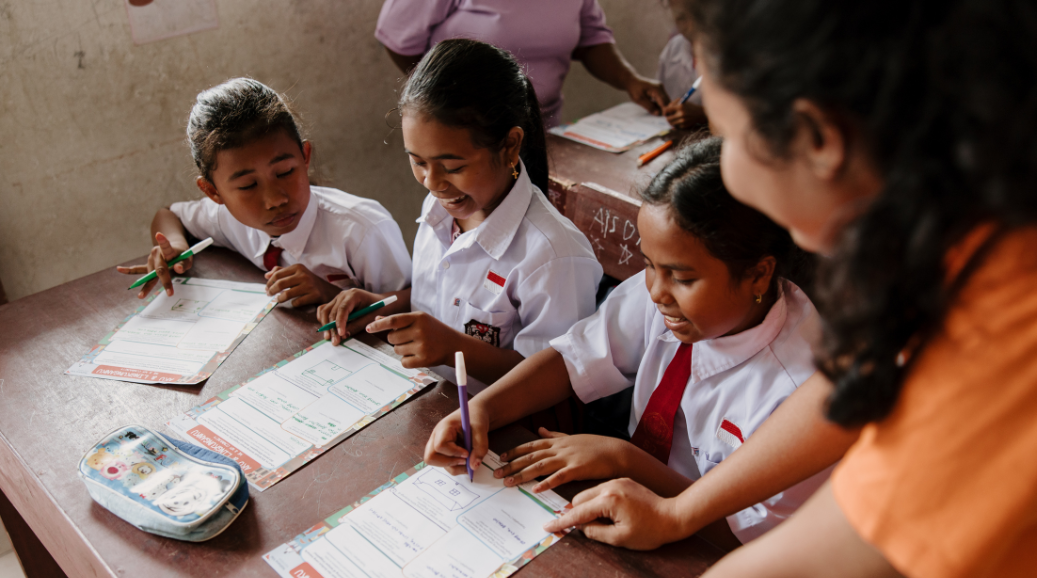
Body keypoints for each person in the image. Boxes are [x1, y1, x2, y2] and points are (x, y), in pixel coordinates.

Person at [422, 1, 1037, 578]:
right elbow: (852, 391)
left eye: (724, 127)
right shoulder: (971, 230)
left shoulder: (1017, 334)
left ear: (817, 138)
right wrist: (681, 509)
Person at [424, 137, 827, 545]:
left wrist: (625, 462)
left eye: (683, 279)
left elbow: (752, 536)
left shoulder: (798, 389)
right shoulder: (668, 301)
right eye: (650, 265)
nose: (656, 292)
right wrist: (482, 410)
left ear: (758, 275)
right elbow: (574, 358)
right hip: (631, 503)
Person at [318, 40, 603, 389]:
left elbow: (554, 380)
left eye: (452, 166)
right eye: (418, 162)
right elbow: (441, 298)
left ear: (511, 146)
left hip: (498, 429)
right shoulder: (441, 208)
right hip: (428, 400)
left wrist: (452, 349)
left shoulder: (554, 256)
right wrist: (382, 304)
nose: (433, 182)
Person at [118, 78, 411, 307]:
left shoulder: (362, 230)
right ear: (213, 192)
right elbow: (167, 215)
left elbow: (415, 304)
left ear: (305, 156)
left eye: (285, 172)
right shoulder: (226, 218)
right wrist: (176, 248)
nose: (275, 199)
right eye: (247, 186)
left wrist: (329, 293)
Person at [373, 0, 668, 127]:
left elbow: (590, 36)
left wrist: (631, 80)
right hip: (468, 132)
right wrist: (445, 97)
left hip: (544, 130)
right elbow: (399, 40)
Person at [657, 0, 708, 130]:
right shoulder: (674, 47)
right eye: (681, 18)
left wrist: (703, 115)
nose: (691, 27)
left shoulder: (734, 56)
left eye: (697, 15)